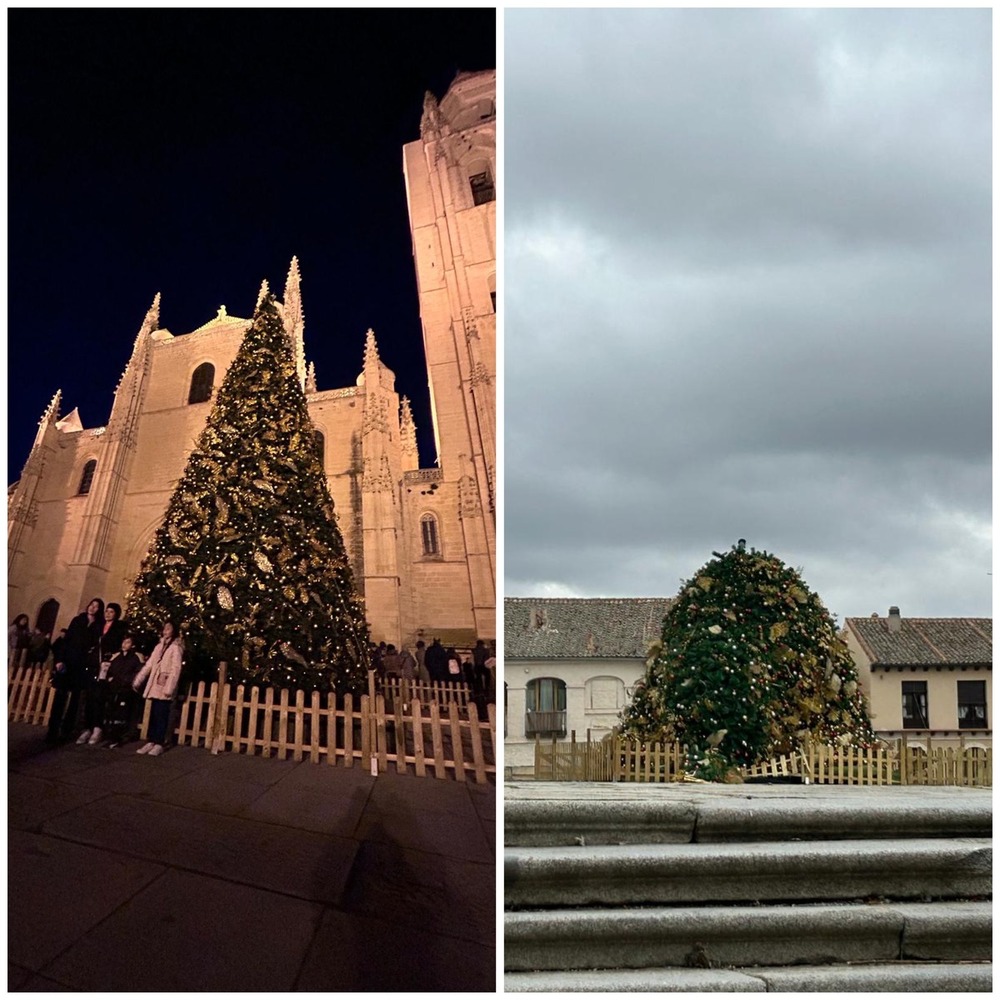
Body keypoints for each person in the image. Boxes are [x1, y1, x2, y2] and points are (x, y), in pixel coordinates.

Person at [46, 599, 105, 744]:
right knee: (60, 697)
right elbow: (67, 641)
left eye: (96, 606)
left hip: (81, 666)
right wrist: (60, 660)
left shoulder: (98, 626)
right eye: (91, 604)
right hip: (68, 662)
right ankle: (52, 731)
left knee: (75, 700)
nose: (92, 608)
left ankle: (66, 730)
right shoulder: (78, 620)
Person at [77, 603, 128, 745]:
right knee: (89, 697)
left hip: (106, 666)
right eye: (107, 611)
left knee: (100, 697)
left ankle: (98, 727)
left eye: (111, 612)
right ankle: (87, 727)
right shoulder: (98, 626)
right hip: (93, 665)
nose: (108, 614)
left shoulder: (119, 628)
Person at [133, 621, 184, 756]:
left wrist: (170, 686)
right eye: (165, 628)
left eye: (169, 628)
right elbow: (149, 664)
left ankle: (159, 742)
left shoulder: (176, 647)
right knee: (154, 713)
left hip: (165, 684)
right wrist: (139, 679)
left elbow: (176, 668)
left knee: (162, 713)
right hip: (155, 684)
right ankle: (152, 740)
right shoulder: (158, 646)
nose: (166, 630)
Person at [104, 634, 146, 748]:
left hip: (126, 689)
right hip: (115, 688)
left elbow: (137, 672)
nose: (124, 645)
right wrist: (110, 679)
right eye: (124, 642)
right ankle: (111, 735)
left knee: (122, 714)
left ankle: (120, 736)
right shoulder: (117, 657)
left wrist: (127, 681)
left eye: (127, 642)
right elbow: (111, 669)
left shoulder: (135, 658)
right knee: (113, 712)